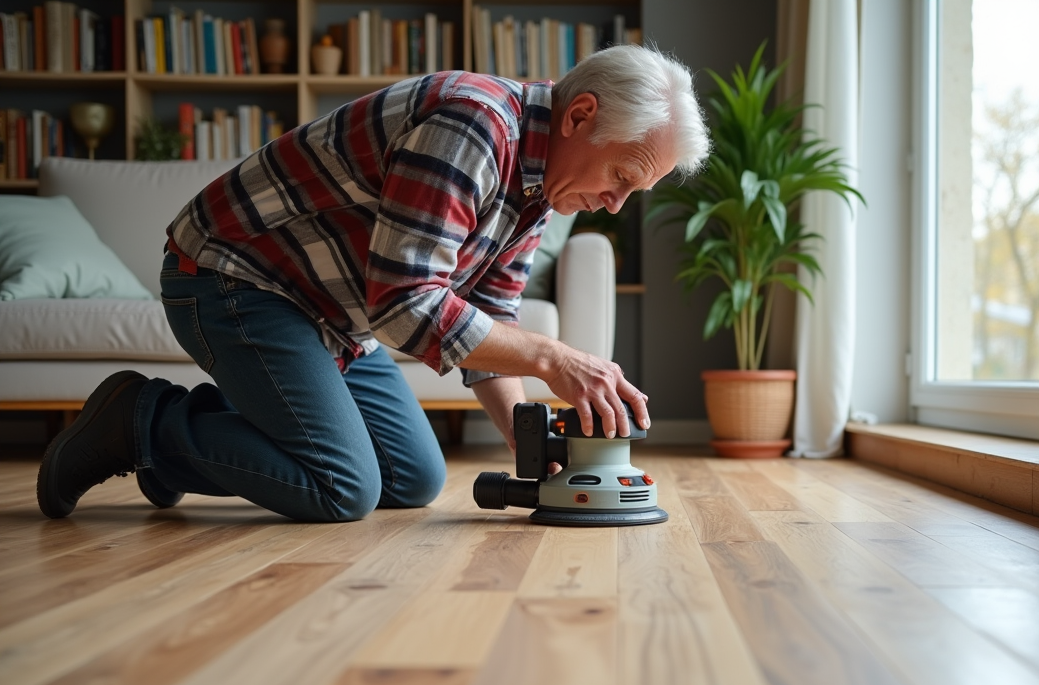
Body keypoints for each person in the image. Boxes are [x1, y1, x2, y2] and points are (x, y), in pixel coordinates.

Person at [37, 44, 710, 522]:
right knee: (341, 488)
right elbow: (406, 306)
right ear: (580, 116)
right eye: (622, 176)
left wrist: (529, 449)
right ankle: (139, 423)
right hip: (234, 279)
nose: (618, 203)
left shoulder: (539, 189)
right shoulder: (474, 126)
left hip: (329, 316)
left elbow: (486, 323)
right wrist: (553, 357)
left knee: (413, 479)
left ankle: (191, 442)